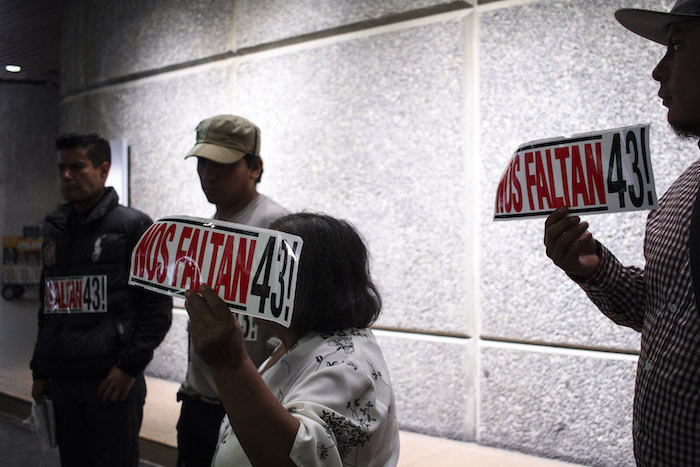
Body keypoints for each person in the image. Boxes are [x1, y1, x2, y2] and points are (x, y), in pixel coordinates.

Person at [543, 1, 700, 464]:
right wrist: (597, 271)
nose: (659, 69)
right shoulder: (683, 190)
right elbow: (665, 313)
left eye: (677, 45)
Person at [184, 213, 400, 466]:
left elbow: (298, 458)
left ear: (316, 283)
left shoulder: (347, 362)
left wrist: (230, 363)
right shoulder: (296, 343)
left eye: (273, 268)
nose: (254, 280)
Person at [30, 133, 173, 466]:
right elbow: (47, 305)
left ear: (103, 169)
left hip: (111, 382)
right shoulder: (55, 228)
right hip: (64, 382)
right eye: (61, 168)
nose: (66, 176)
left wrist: (128, 369)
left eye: (77, 166)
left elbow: (157, 309)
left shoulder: (134, 226)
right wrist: (41, 371)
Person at [177, 114, 288, 466]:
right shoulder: (205, 230)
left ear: (255, 167)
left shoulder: (278, 228)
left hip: (246, 407)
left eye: (222, 165)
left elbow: (287, 337)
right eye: (203, 164)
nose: (208, 175)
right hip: (197, 402)